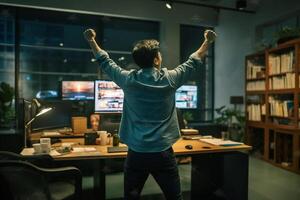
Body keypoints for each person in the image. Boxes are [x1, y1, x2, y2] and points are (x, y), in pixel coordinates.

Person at [84, 28, 216, 200]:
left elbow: (105, 61)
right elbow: (194, 60)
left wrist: (91, 40)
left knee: (131, 197)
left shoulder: (127, 80)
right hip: (163, 152)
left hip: (136, 153)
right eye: (159, 55)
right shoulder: (170, 79)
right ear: (156, 60)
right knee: (174, 197)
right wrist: (208, 41)